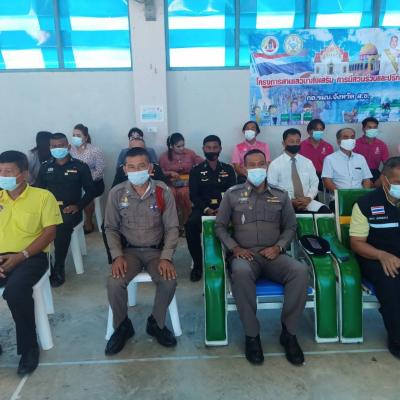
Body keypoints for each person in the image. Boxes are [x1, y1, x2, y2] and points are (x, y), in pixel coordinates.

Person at [215, 149, 309, 366]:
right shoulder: (232, 194)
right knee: (240, 272)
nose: (257, 168)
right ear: (244, 168)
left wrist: (279, 247)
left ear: (267, 165)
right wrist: (235, 248)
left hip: (273, 255)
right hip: (245, 256)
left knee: (300, 271)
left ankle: (289, 333)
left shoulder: (281, 194)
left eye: (260, 164)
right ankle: (252, 336)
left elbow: (291, 226)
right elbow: (219, 226)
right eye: (252, 165)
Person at [104, 147, 179, 355]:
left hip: (156, 252)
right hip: (129, 252)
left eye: (141, 166)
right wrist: (117, 256)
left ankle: (156, 322)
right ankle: (122, 326)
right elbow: (110, 228)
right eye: (131, 167)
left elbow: (172, 228)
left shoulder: (162, 192)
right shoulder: (117, 193)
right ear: (125, 169)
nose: (137, 171)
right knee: (114, 282)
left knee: (169, 280)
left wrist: (166, 257)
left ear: (150, 168)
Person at [0, 150, 62, 375]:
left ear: (24, 174)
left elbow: (49, 233)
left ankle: (28, 348)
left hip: (31, 257)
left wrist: (21, 256)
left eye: (8, 171)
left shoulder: (43, 197)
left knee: (15, 291)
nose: (2, 176)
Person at [350, 157, 400, 359]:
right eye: (398, 182)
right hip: (374, 256)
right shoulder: (366, 204)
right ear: (384, 180)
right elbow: (357, 243)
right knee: (391, 281)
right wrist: (382, 255)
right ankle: (397, 337)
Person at [36, 133, 96, 287]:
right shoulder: (45, 167)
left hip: (71, 210)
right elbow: (38, 191)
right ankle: (45, 263)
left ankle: (59, 266)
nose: (57, 148)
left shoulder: (80, 166)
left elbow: (91, 191)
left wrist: (78, 206)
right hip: (49, 209)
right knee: (32, 225)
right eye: (54, 146)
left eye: (61, 145)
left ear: (68, 147)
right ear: (50, 148)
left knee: (61, 227)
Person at [185, 135, 236, 282]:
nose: (212, 150)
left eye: (215, 147)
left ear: (220, 149)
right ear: (203, 149)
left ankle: (231, 259)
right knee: (190, 225)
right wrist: (207, 209)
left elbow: (232, 192)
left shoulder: (228, 169)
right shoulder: (196, 170)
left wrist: (223, 209)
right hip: (203, 208)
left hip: (226, 208)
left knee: (240, 222)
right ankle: (198, 265)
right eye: (208, 148)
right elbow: (194, 195)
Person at [268, 128, 330, 213]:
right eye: (291, 141)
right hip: (285, 202)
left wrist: (308, 198)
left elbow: (314, 182)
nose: (295, 144)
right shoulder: (275, 164)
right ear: (283, 143)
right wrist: (290, 200)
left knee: (326, 212)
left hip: (307, 201)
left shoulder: (307, 162)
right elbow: (272, 187)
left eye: (297, 141)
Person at [159, 132, 203, 232]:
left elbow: (201, 163)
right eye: (178, 146)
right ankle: (173, 225)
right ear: (171, 146)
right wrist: (169, 173)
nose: (182, 148)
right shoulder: (164, 157)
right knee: (170, 194)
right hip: (170, 183)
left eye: (183, 145)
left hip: (186, 183)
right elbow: (160, 173)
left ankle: (187, 223)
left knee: (185, 193)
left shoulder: (190, 153)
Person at [322, 127, 373, 210]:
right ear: (338, 141)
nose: (350, 140)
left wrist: (364, 195)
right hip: (339, 199)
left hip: (360, 198)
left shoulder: (360, 158)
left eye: (352, 137)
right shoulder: (330, 159)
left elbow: (367, 180)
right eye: (345, 137)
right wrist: (342, 195)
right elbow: (327, 181)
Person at [70, 123, 106, 233]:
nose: (75, 138)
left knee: (87, 192)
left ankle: (88, 222)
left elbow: (100, 170)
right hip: (75, 183)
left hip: (94, 183)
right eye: (74, 135)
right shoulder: (70, 150)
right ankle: (72, 221)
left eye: (78, 135)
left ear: (85, 138)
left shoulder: (94, 150)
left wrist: (86, 180)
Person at [299, 119, 333, 190]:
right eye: (316, 129)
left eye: (321, 129)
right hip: (306, 178)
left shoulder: (328, 146)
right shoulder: (300, 146)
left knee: (324, 196)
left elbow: (331, 166)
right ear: (309, 131)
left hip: (323, 178)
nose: (319, 131)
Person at [354, 117, 389, 183]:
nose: (372, 130)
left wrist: (381, 178)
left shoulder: (382, 144)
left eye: (375, 127)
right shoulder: (355, 144)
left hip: (374, 173)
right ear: (363, 129)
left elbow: (387, 164)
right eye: (369, 127)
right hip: (358, 174)